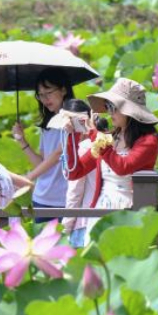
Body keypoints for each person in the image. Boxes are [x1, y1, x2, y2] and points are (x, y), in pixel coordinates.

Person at [66, 78, 158, 247]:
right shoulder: (109, 138)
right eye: (107, 107)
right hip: (100, 209)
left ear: (128, 111)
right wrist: (71, 137)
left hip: (130, 212)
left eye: (112, 107)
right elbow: (75, 172)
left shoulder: (148, 140)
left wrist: (96, 135)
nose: (109, 113)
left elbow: (122, 167)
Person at [12, 69, 74, 218]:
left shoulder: (74, 120)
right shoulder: (47, 125)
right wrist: (22, 141)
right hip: (41, 198)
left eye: (49, 92)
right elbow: (43, 164)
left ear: (64, 90)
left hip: (66, 200)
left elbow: (60, 153)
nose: (45, 99)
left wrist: (28, 178)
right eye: (41, 95)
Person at [48, 99, 98, 246]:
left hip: (84, 222)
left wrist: (66, 228)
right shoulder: (103, 143)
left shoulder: (82, 149)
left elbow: (75, 193)